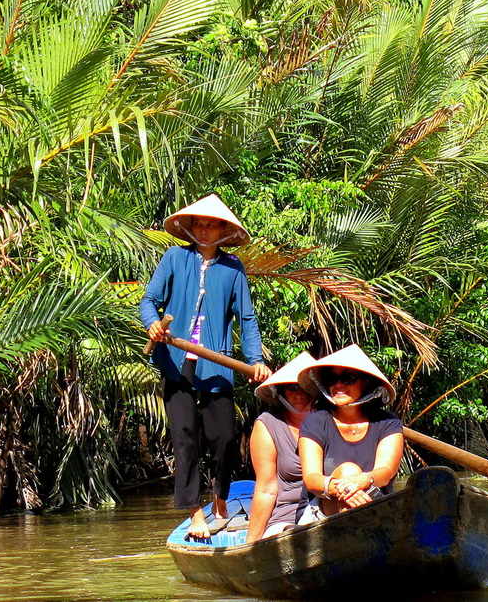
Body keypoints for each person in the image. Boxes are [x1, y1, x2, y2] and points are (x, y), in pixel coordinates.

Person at [140, 193, 272, 541]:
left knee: (224, 438)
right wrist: (153, 324)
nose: (205, 229)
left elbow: (246, 316)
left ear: (223, 231)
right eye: (200, 223)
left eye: (212, 225)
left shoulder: (233, 269)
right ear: (191, 227)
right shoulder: (174, 258)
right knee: (185, 439)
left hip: (216, 365)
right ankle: (195, 512)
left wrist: (255, 360)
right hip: (176, 362)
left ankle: (221, 500)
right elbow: (149, 301)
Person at [297, 345, 404, 517]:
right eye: (331, 379)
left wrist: (363, 481)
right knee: (348, 471)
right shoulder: (315, 422)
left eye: (348, 378)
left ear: (366, 383)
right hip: (322, 511)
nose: (338, 385)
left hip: (375, 506)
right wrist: (343, 488)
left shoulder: (387, 423)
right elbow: (311, 478)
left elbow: (385, 472)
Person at [245, 350, 318, 543]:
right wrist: (251, 544)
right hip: (287, 515)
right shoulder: (268, 424)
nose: (300, 394)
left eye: (306, 388)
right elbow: (266, 489)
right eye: (293, 388)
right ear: (282, 391)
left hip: (325, 508)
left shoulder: (329, 419)